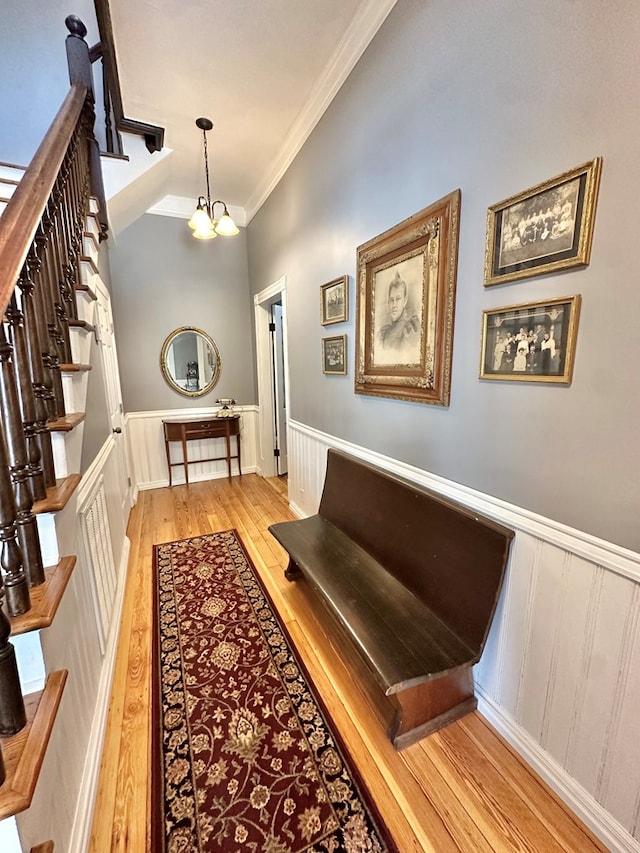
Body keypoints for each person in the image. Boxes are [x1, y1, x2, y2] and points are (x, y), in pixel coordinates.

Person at [376, 271, 420, 359]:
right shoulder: (382, 332)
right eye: (391, 300)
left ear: (405, 301)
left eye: (398, 299)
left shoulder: (410, 328)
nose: (394, 305)